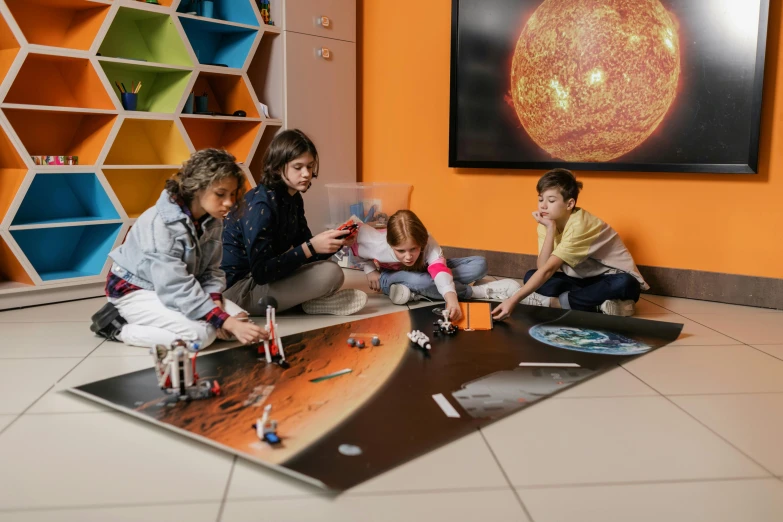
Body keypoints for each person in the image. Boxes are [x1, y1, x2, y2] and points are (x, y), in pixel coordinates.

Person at [90, 149, 267, 348]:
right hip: (136, 290)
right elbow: (175, 287)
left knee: (241, 321)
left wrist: (215, 302)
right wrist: (222, 319)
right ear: (197, 187)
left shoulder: (212, 218)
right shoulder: (160, 224)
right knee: (202, 336)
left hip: (176, 285)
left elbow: (211, 271)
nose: (229, 203)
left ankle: (185, 320)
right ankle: (118, 327)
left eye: (233, 194)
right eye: (220, 194)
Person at [221, 129, 367, 316]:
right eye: (298, 167)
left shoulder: (293, 198)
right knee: (330, 274)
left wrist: (336, 242)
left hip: (267, 281)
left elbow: (305, 250)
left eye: (310, 166)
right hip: (239, 292)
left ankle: (306, 304)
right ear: (277, 167)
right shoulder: (261, 205)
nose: (306, 174)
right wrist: (311, 246)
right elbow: (261, 272)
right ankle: (306, 304)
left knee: (332, 272)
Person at [492, 168, 648, 320]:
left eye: (551, 200)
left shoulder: (580, 225)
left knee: (624, 283)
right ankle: (599, 305)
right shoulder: (546, 223)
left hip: (614, 280)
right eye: (541, 199)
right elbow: (543, 267)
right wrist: (551, 228)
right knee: (531, 276)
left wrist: (512, 300)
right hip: (582, 282)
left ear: (569, 204)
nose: (543, 205)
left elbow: (548, 270)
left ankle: (557, 303)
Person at [353, 210, 521, 320]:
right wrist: (369, 270)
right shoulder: (376, 243)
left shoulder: (428, 242)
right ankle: (476, 291)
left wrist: (451, 297)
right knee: (424, 281)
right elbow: (351, 241)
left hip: (424, 270)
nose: (408, 256)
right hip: (390, 277)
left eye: (414, 249)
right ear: (390, 245)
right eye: (401, 251)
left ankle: (417, 291)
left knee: (480, 264)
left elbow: (439, 270)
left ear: (422, 242)